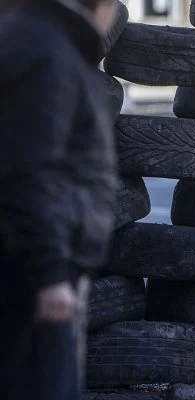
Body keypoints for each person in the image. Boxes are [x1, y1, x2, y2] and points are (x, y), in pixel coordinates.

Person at [0, 0, 119, 398]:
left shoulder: (41, 41)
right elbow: (29, 169)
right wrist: (51, 272)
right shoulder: (46, 53)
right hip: (32, 275)